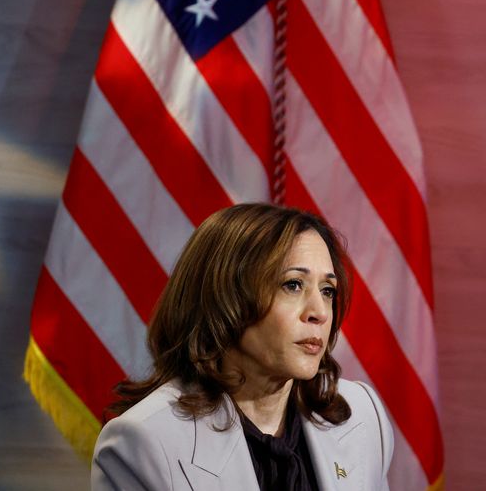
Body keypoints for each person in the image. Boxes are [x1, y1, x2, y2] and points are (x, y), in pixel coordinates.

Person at [91, 203, 394, 490]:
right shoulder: (144, 442)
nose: (320, 312)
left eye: (327, 290)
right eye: (292, 285)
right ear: (225, 298)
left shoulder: (362, 414)